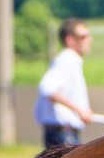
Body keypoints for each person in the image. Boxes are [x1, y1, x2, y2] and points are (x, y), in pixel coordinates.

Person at [34, 18, 95, 148]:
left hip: (63, 133)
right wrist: (79, 110)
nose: (89, 40)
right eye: (84, 36)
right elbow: (48, 89)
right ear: (70, 40)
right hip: (63, 134)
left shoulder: (71, 60)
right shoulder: (68, 59)